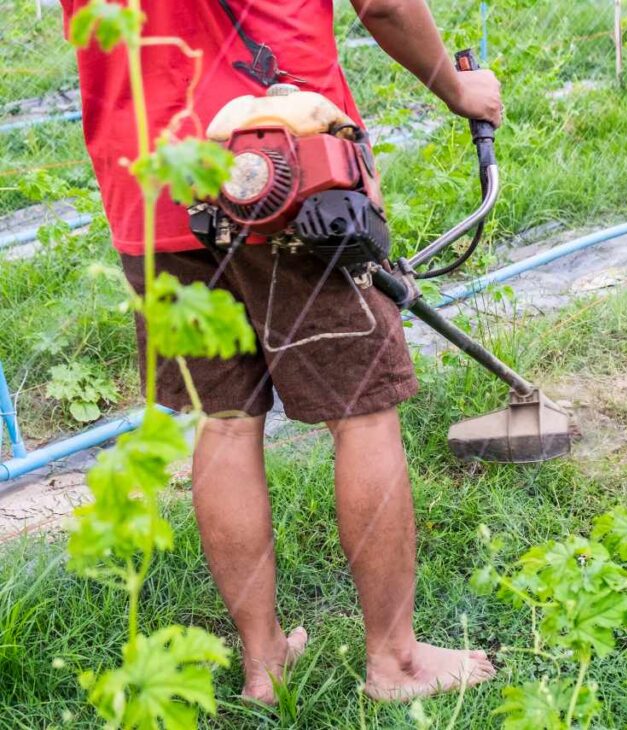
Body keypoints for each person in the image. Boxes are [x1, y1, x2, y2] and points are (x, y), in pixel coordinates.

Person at [61, 0, 502, 704]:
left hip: (152, 181)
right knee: (362, 413)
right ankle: (397, 663)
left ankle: (264, 666)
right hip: (284, 168)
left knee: (226, 421)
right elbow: (384, 4)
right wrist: (455, 84)